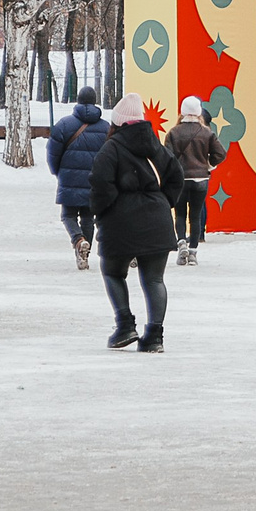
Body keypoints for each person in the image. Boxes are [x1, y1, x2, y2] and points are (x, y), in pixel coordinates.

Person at [90, 92, 182, 352]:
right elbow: (177, 176)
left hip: (120, 223)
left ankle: (124, 325)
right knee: (154, 280)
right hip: (158, 222)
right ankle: (154, 337)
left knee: (112, 272)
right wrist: (162, 203)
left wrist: (101, 213)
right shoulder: (157, 147)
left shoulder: (111, 149)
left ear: (117, 122)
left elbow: (100, 186)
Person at [45, 87, 109, 270]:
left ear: (78, 100)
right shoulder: (106, 128)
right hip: (94, 181)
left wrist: (59, 172)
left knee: (68, 215)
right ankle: (84, 254)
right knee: (88, 217)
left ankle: (78, 240)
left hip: (69, 178)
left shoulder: (64, 125)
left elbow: (52, 153)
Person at [165, 96, 224, 264]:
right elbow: (221, 154)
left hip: (180, 180)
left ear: (182, 112)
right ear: (199, 112)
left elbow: (167, 157)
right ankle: (192, 253)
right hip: (201, 179)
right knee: (196, 216)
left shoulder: (173, 133)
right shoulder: (207, 132)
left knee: (180, 214)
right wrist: (208, 165)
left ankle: (181, 242)